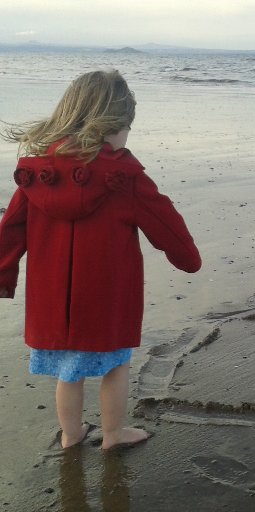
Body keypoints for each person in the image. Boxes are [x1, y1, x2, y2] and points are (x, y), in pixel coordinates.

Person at [0, 70, 201, 449]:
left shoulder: (36, 175)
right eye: (126, 127)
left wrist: (3, 274)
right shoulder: (123, 176)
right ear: (113, 125)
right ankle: (113, 434)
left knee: (68, 373)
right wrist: (187, 258)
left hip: (52, 302)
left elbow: (10, 230)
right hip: (106, 300)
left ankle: (71, 435)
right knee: (115, 366)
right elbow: (165, 222)